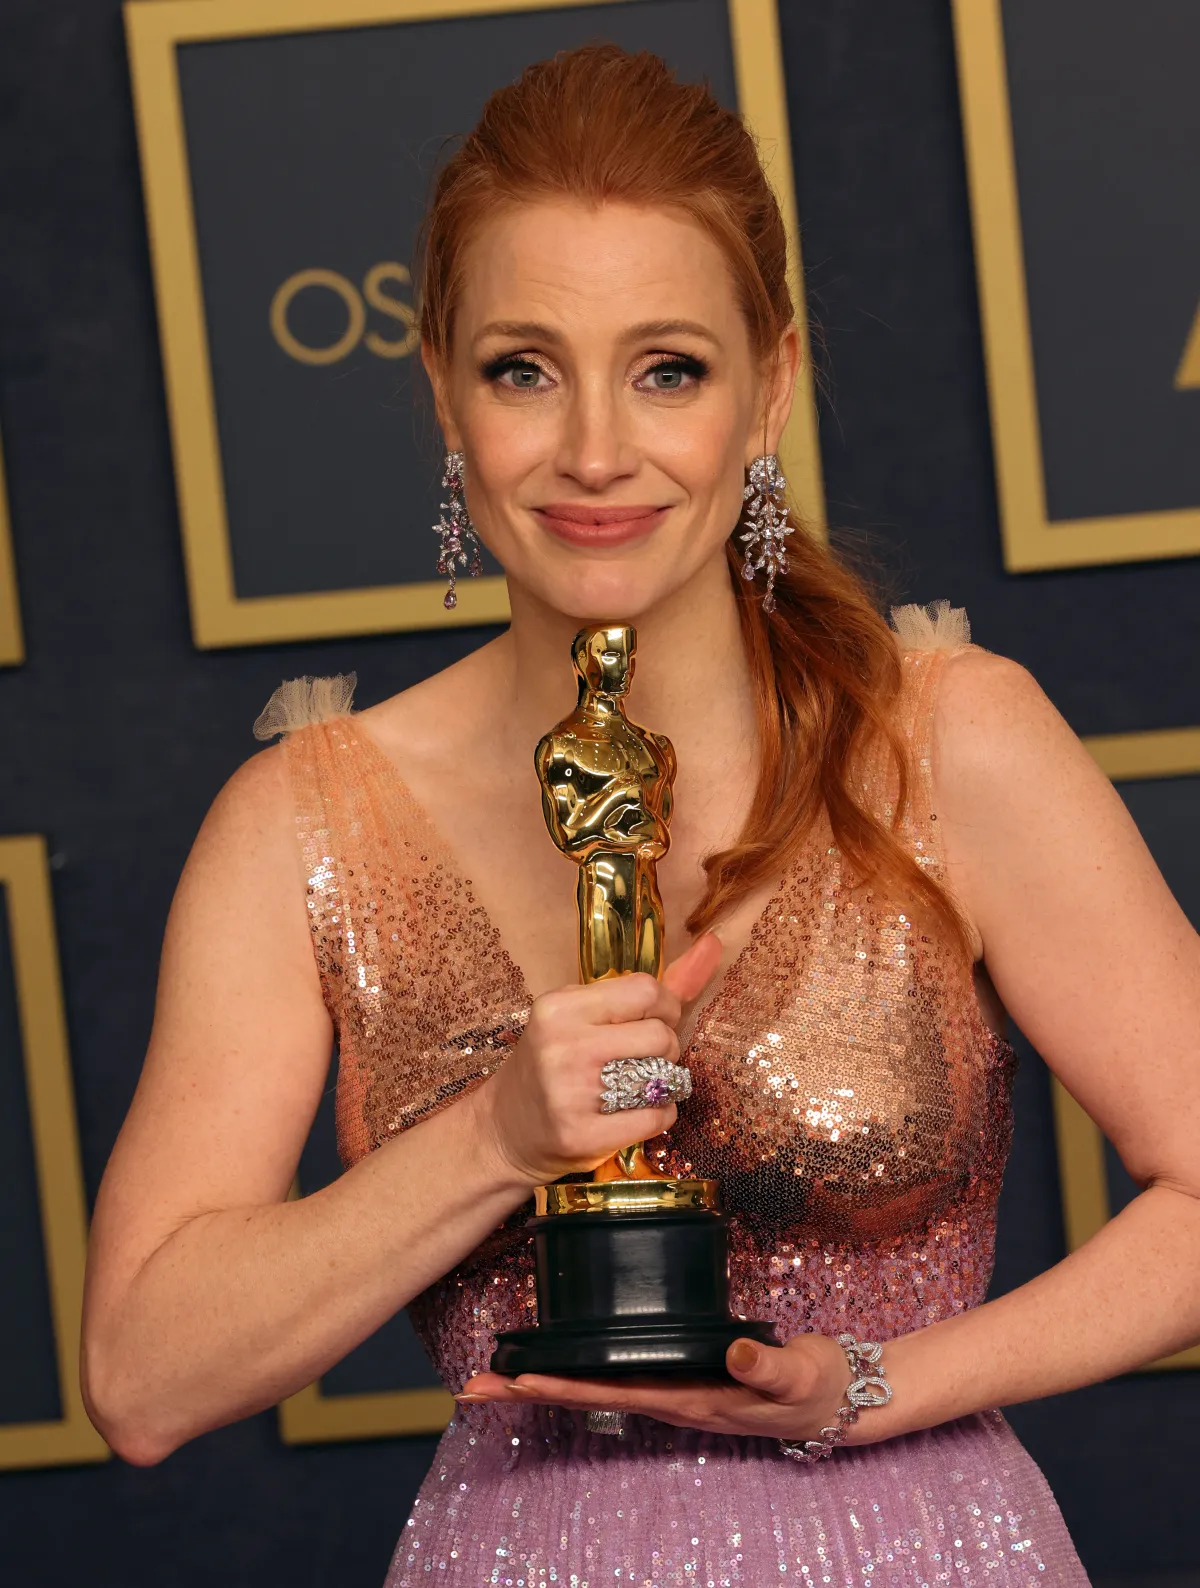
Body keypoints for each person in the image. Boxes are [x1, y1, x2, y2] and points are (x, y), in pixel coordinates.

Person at [80, 45, 1200, 1586]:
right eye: (523, 368)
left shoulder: (940, 743)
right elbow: (142, 1378)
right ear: (442, 392)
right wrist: (494, 1137)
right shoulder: (303, 826)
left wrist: (874, 1391)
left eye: (667, 367)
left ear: (773, 383)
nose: (595, 450)